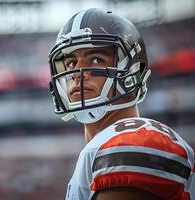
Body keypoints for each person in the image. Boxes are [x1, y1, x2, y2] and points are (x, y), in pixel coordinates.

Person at [48, 8, 194, 200]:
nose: (76, 72)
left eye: (96, 59)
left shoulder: (136, 141)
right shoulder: (100, 146)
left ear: (133, 72)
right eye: (71, 63)